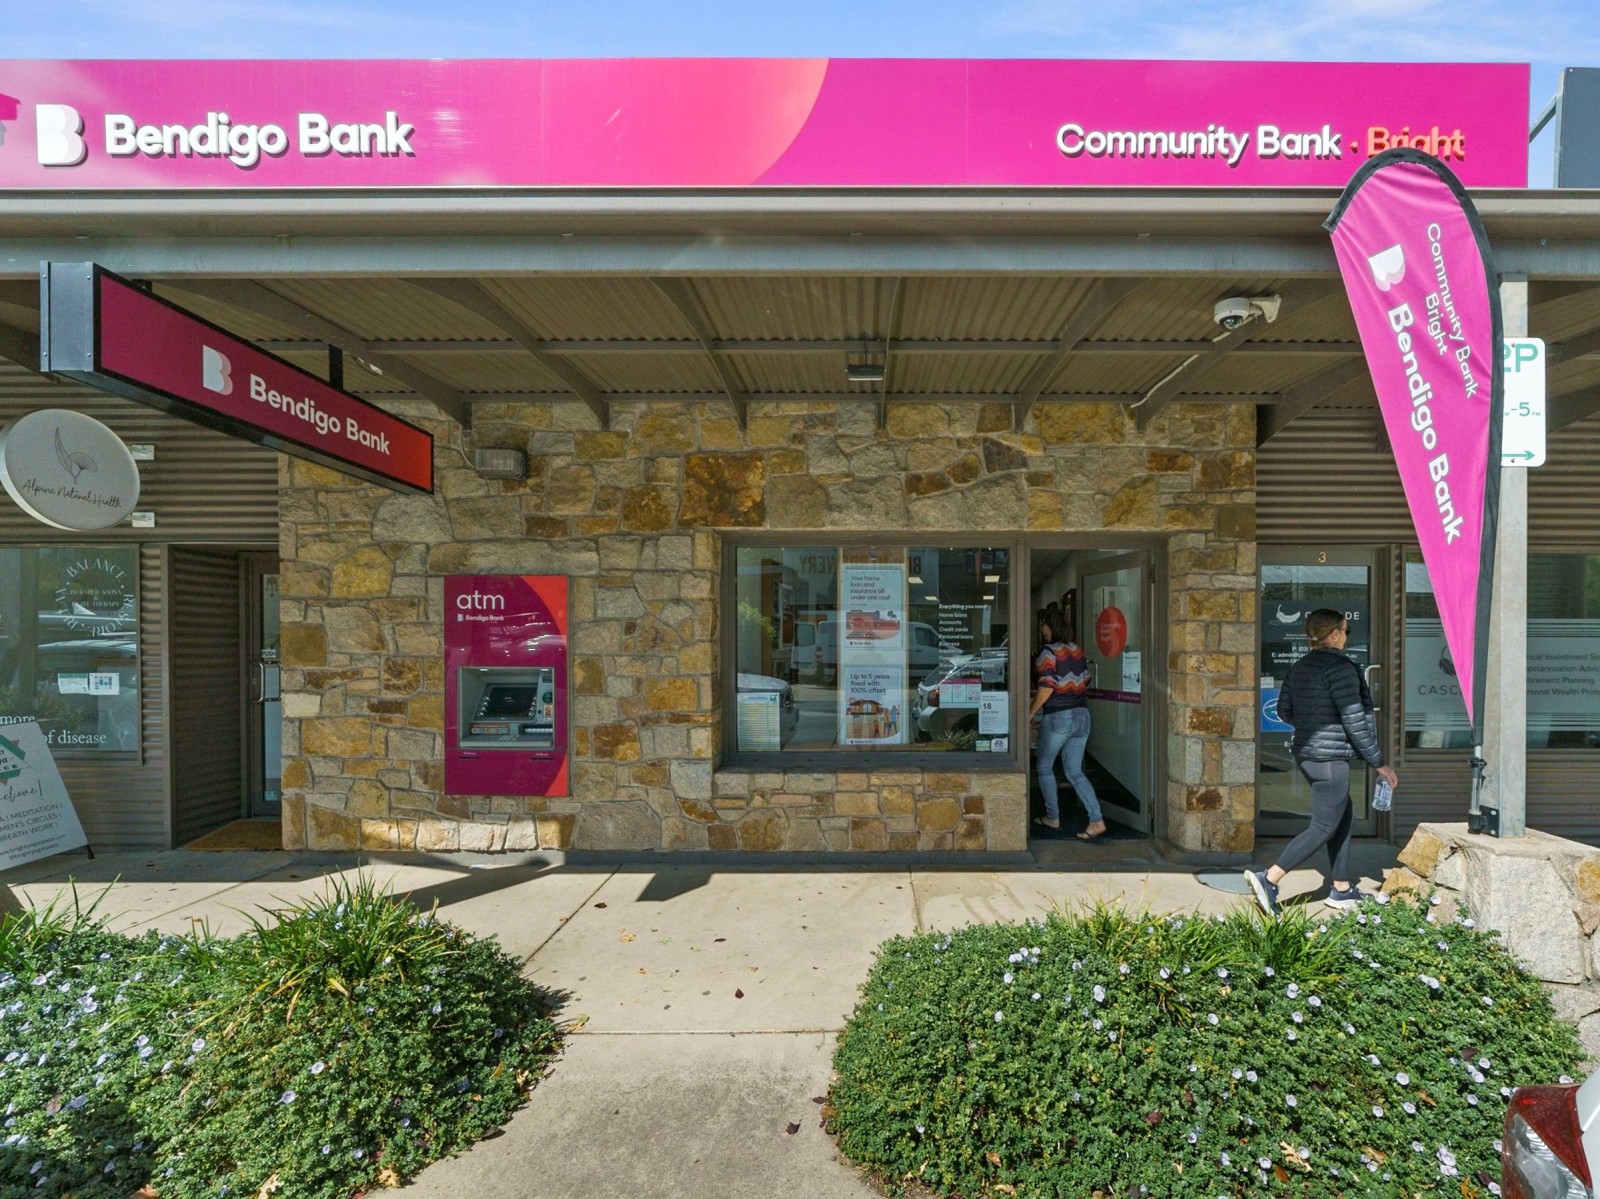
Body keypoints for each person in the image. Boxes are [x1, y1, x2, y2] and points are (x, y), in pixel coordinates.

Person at [1246, 608, 1399, 914]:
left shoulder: (1299, 667)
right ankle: (1270, 878)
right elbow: (1355, 721)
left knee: (1343, 816)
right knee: (1324, 825)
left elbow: (1284, 711)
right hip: (1330, 760)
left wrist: (1313, 725)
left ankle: (1341, 888)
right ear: (1335, 634)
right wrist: (1379, 763)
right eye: (1346, 631)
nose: (1346, 636)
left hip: (1308, 755)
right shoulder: (1341, 668)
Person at [1027, 606, 1105, 841]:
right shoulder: (1076, 650)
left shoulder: (1048, 652)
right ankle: (1096, 820)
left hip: (1059, 715)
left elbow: (1047, 685)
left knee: (1044, 767)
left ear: (1049, 626)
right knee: (1074, 771)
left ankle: (1053, 817)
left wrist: (1030, 714)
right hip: (1082, 715)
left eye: (1043, 624)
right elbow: (1086, 679)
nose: (1042, 628)